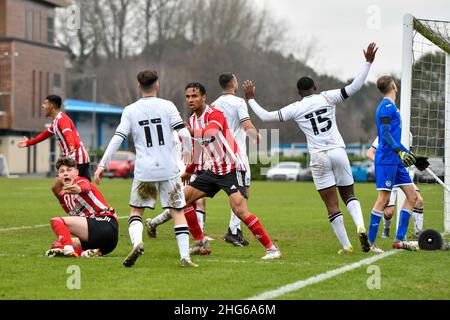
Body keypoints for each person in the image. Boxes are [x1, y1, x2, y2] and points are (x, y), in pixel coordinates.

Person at [242, 43, 379, 254]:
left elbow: (266, 116)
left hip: (318, 157)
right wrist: (368, 62)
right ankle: (360, 226)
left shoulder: (296, 108)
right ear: (315, 87)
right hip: (338, 152)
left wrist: (250, 99)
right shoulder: (327, 96)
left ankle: (346, 246)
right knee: (349, 194)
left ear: (299, 92)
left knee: (332, 204)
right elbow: (355, 86)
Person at [94, 70, 197, 268]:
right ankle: (185, 257)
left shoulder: (130, 110)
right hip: (169, 169)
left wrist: (102, 165)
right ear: (157, 84)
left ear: (138, 86)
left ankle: (138, 243)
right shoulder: (168, 106)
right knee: (177, 211)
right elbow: (184, 134)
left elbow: (118, 138)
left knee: (136, 211)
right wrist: (188, 159)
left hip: (145, 171)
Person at [180, 82, 281, 260]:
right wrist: (189, 170)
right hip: (214, 169)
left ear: (204, 97)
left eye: (194, 96)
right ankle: (201, 242)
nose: (190, 100)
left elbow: (210, 134)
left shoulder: (215, 114)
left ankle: (272, 249)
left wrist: (191, 132)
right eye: (188, 96)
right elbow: (197, 148)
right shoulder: (193, 120)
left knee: (239, 210)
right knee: (182, 200)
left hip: (233, 167)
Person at [366, 75, 428, 252]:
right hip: (386, 159)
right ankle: (369, 243)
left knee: (413, 196)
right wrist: (400, 152)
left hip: (396, 160)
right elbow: (385, 134)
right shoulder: (386, 106)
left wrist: (413, 157)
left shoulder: (392, 107)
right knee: (383, 199)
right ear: (393, 86)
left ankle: (399, 240)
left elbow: (394, 138)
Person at [211, 73, 261, 247]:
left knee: (231, 192)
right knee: (243, 192)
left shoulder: (214, 105)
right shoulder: (239, 103)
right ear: (233, 83)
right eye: (236, 80)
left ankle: (234, 229)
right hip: (237, 155)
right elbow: (247, 126)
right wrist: (257, 136)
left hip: (219, 155)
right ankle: (233, 231)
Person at [17, 95, 91, 210]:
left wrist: (71, 145)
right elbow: (44, 135)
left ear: (51, 106)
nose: (43, 106)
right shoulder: (56, 121)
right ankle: (93, 212)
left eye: (45, 103)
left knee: (58, 187)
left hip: (75, 158)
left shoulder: (62, 119)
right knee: (87, 190)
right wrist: (28, 143)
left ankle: (75, 213)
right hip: (78, 158)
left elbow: (67, 133)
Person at [45, 157, 118, 258]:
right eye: (62, 171)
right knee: (57, 244)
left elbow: (85, 187)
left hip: (106, 223)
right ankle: (86, 253)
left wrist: (79, 189)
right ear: (58, 176)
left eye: (69, 170)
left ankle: (68, 250)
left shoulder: (81, 181)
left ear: (76, 173)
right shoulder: (65, 198)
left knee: (56, 221)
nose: (65, 173)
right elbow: (54, 188)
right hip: (107, 245)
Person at [367, 136, 424, 239]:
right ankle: (384, 231)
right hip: (388, 169)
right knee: (388, 212)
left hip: (401, 172)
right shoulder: (386, 130)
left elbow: (405, 153)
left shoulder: (408, 134)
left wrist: (416, 159)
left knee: (418, 200)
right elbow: (370, 152)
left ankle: (416, 234)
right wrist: (380, 164)